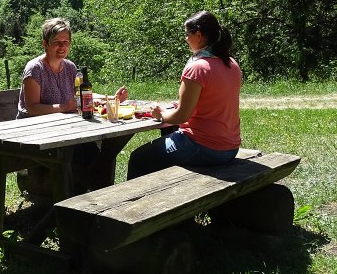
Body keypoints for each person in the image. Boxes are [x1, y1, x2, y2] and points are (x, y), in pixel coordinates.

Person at [127, 10, 242, 179]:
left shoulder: (197, 68)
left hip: (203, 147)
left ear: (198, 35)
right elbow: (213, 102)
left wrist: (160, 114)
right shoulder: (231, 64)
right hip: (230, 148)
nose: (185, 38)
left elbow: (181, 116)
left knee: (139, 158)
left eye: (187, 34)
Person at [16, 17, 126, 193]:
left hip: (64, 127)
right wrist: (63, 107)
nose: (62, 47)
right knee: (76, 151)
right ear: (45, 44)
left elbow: (81, 94)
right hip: (33, 130)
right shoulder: (35, 69)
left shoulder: (70, 68)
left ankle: (94, 193)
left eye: (65, 42)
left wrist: (110, 99)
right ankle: (79, 195)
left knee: (92, 150)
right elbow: (32, 108)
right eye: (56, 42)